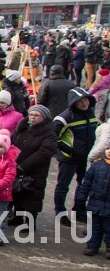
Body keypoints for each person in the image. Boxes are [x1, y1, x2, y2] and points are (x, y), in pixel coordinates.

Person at [54, 87, 99, 225]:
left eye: (86, 100)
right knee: (63, 186)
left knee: (84, 185)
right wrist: (67, 150)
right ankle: (60, 212)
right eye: (80, 101)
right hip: (69, 158)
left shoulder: (92, 113)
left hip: (87, 157)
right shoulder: (64, 117)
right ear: (74, 103)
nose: (84, 104)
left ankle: (79, 210)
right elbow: (53, 137)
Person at [9, 105, 57, 228]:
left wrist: (23, 165)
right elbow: (12, 142)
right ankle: (17, 217)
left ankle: (30, 223)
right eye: (31, 115)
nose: (33, 118)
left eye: (36, 116)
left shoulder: (49, 133)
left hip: (36, 170)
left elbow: (44, 152)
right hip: (17, 166)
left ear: (44, 118)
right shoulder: (22, 128)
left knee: (33, 195)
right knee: (18, 192)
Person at [77, 146, 110, 257]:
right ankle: (92, 246)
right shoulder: (97, 165)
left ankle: (109, 247)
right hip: (95, 203)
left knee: (109, 228)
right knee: (94, 226)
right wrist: (81, 197)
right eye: (108, 149)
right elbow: (86, 183)